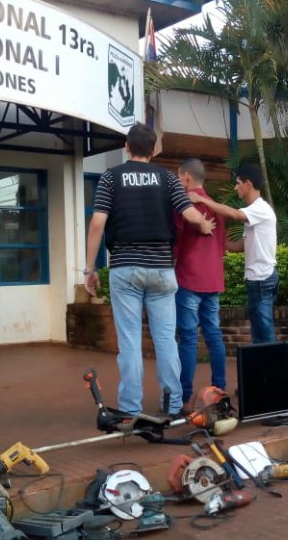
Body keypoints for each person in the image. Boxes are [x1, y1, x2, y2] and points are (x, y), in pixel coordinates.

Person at [83, 123, 214, 416]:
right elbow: (191, 214)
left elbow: (97, 223)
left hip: (125, 267)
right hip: (161, 269)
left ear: (126, 147)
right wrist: (204, 223)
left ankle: (130, 408)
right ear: (153, 151)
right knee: (166, 339)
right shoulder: (168, 179)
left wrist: (89, 269)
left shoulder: (110, 178)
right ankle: (173, 403)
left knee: (129, 340)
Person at [188, 163, 278, 343]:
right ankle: (262, 370)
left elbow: (234, 215)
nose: (236, 187)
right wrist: (217, 241)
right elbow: (242, 245)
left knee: (264, 333)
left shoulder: (260, 209)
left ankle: (272, 369)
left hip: (261, 278)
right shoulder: (255, 212)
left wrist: (202, 200)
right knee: (259, 332)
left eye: (238, 183)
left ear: (248, 184)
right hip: (257, 280)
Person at [173, 158, 227, 414]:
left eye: (177, 177)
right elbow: (221, 246)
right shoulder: (215, 207)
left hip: (189, 277)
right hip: (212, 278)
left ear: (185, 177)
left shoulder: (183, 206)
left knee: (188, 337)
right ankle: (219, 391)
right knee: (214, 335)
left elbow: (177, 242)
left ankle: (184, 396)